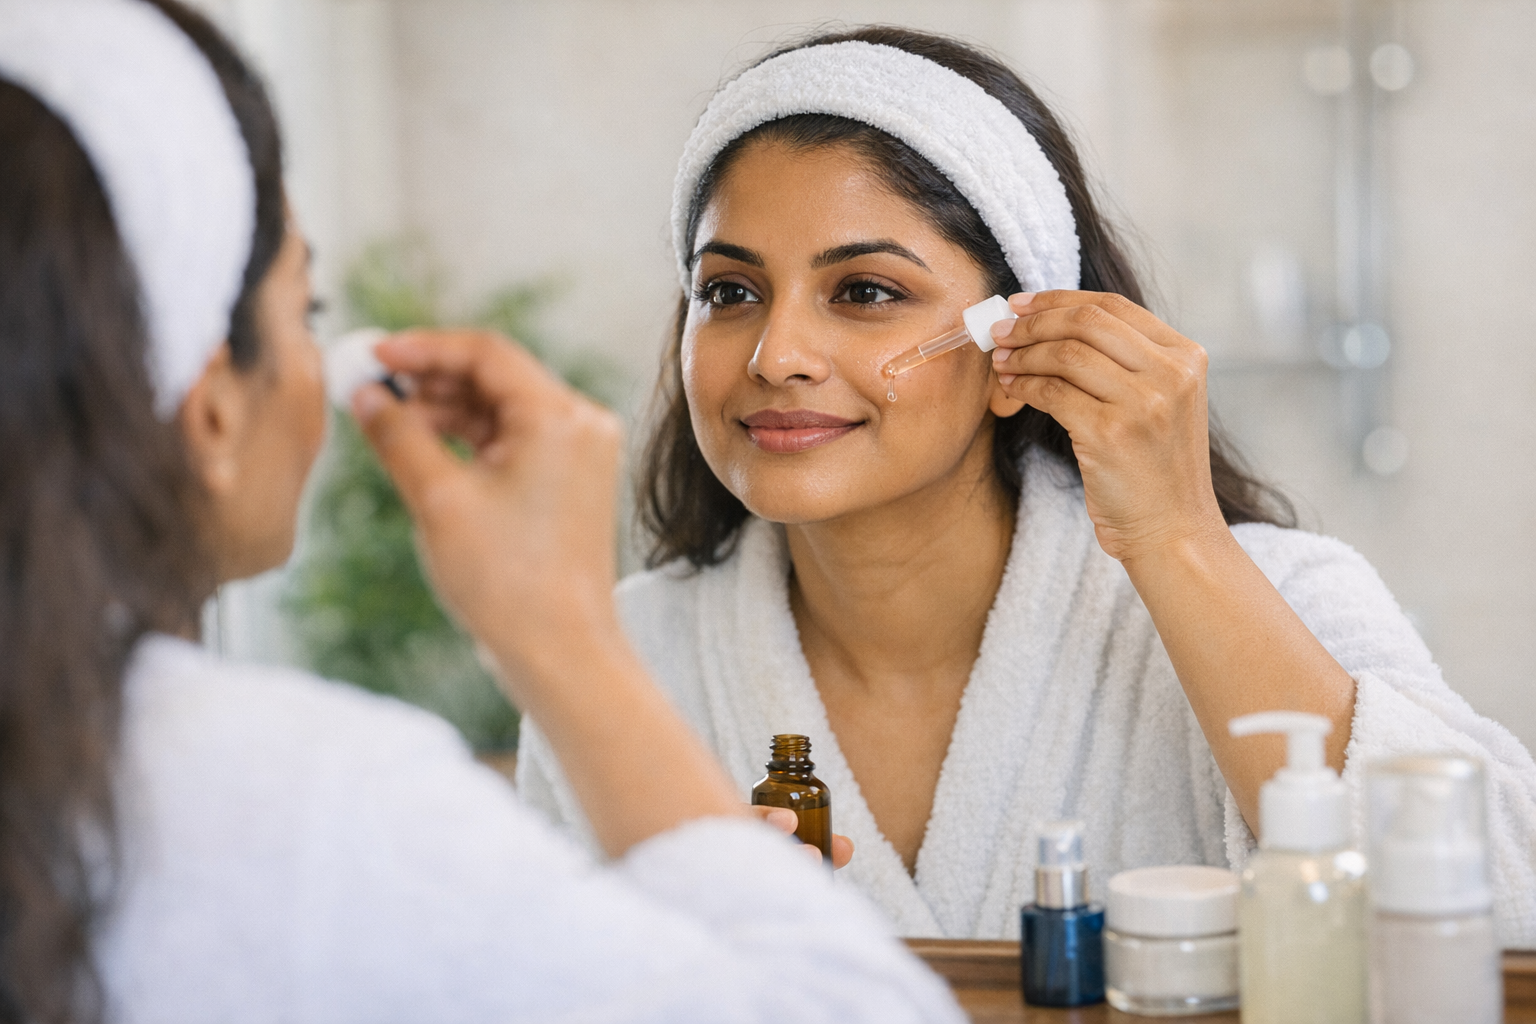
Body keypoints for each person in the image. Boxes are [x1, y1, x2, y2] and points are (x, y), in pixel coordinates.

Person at [0, 3, 965, 1022]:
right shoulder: (299, 810)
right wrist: (563, 636)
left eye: (863, 290)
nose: (779, 358)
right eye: (304, 312)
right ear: (210, 407)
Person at [517, 26, 1536, 943]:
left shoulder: (1291, 597)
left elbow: (1500, 906)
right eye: (729, 291)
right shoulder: (624, 659)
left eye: (865, 291)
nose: (777, 352)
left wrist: (1179, 538)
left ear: (1016, 339)